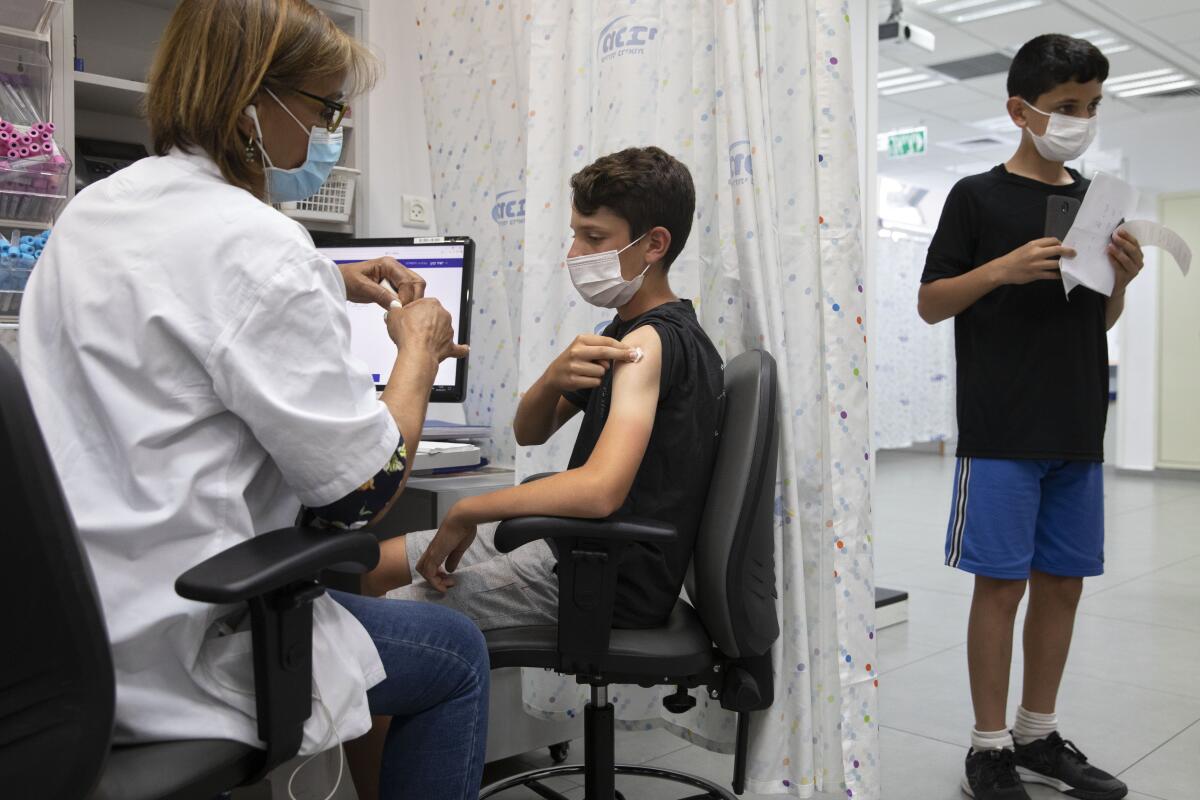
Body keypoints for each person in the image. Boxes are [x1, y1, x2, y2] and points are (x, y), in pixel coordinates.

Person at [18, 2, 487, 798]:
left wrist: (324, 279)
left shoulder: (94, 210)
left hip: (63, 638)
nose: (332, 129)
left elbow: (176, 308)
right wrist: (418, 350)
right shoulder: (259, 241)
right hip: (184, 645)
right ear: (253, 100)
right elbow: (360, 495)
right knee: (454, 656)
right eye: (327, 106)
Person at [362, 146, 723, 634]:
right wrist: (554, 374)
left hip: (604, 574)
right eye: (575, 234)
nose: (574, 255)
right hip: (572, 544)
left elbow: (599, 491)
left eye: (594, 237)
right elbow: (529, 431)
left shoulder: (649, 344)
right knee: (370, 569)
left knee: (379, 631)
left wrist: (469, 509)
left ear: (654, 244)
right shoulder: (621, 332)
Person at [918, 34, 1144, 800]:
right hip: (1002, 428)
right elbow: (931, 302)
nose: (1081, 120)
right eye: (1066, 107)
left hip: (1077, 428)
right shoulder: (975, 198)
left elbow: (1096, 322)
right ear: (1020, 110)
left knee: (1064, 585)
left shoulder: (1097, 200)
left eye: (1092, 107)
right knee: (1002, 587)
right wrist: (1003, 268)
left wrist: (1122, 282)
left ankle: (1038, 735)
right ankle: (988, 749)